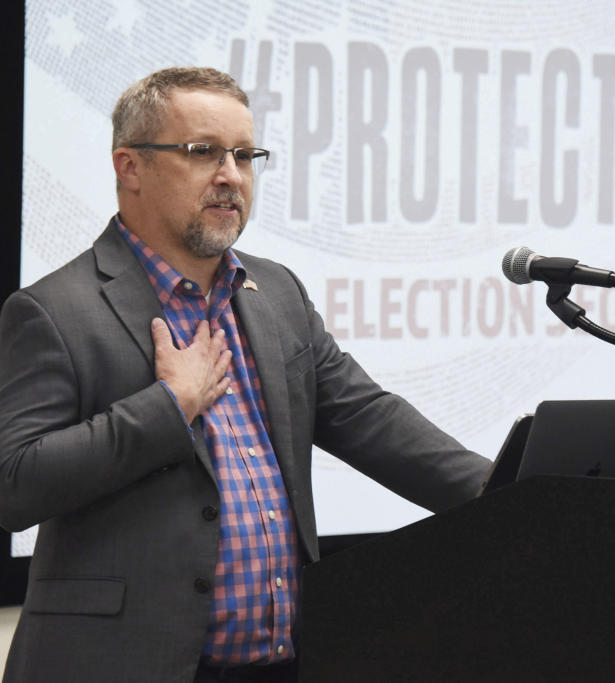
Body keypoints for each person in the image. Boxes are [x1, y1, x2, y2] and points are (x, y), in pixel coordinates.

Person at [0, 66, 491, 683]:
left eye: (243, 155)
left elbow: (371, 418)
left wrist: (508, 493)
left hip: (277, 664)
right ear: (130, 167)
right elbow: (13, 483)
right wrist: (170, 405)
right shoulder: (55, 309)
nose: (230, 176)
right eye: (201, 152)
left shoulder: (275, 292)